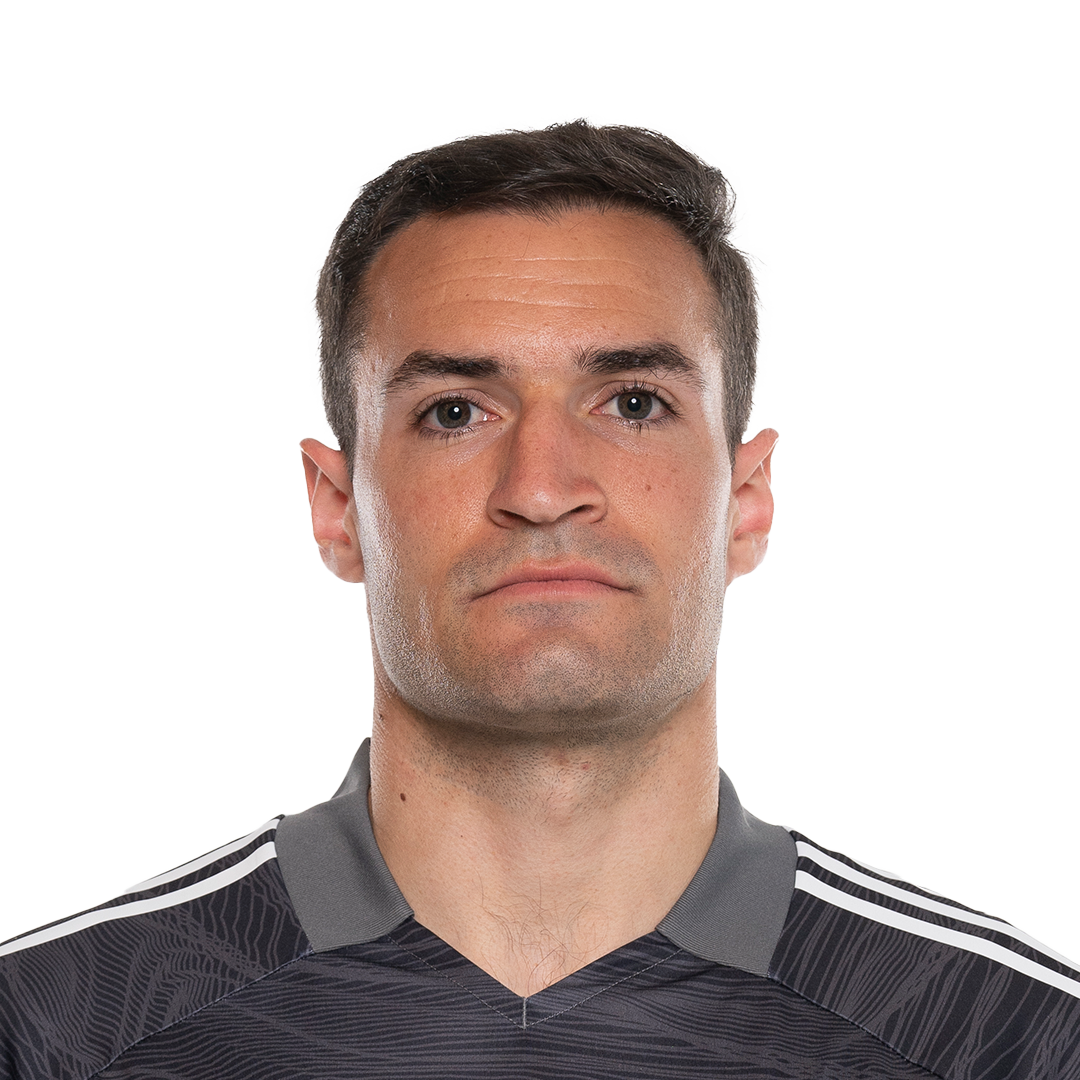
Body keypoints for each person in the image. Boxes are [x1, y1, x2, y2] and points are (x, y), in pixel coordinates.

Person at [1, 119, 1077, 1080]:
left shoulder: (1007, 1040)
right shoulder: (52, 1030)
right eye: (455, 411)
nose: (544, 487)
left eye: (634, 402)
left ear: (746, 501)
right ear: (338, 509)